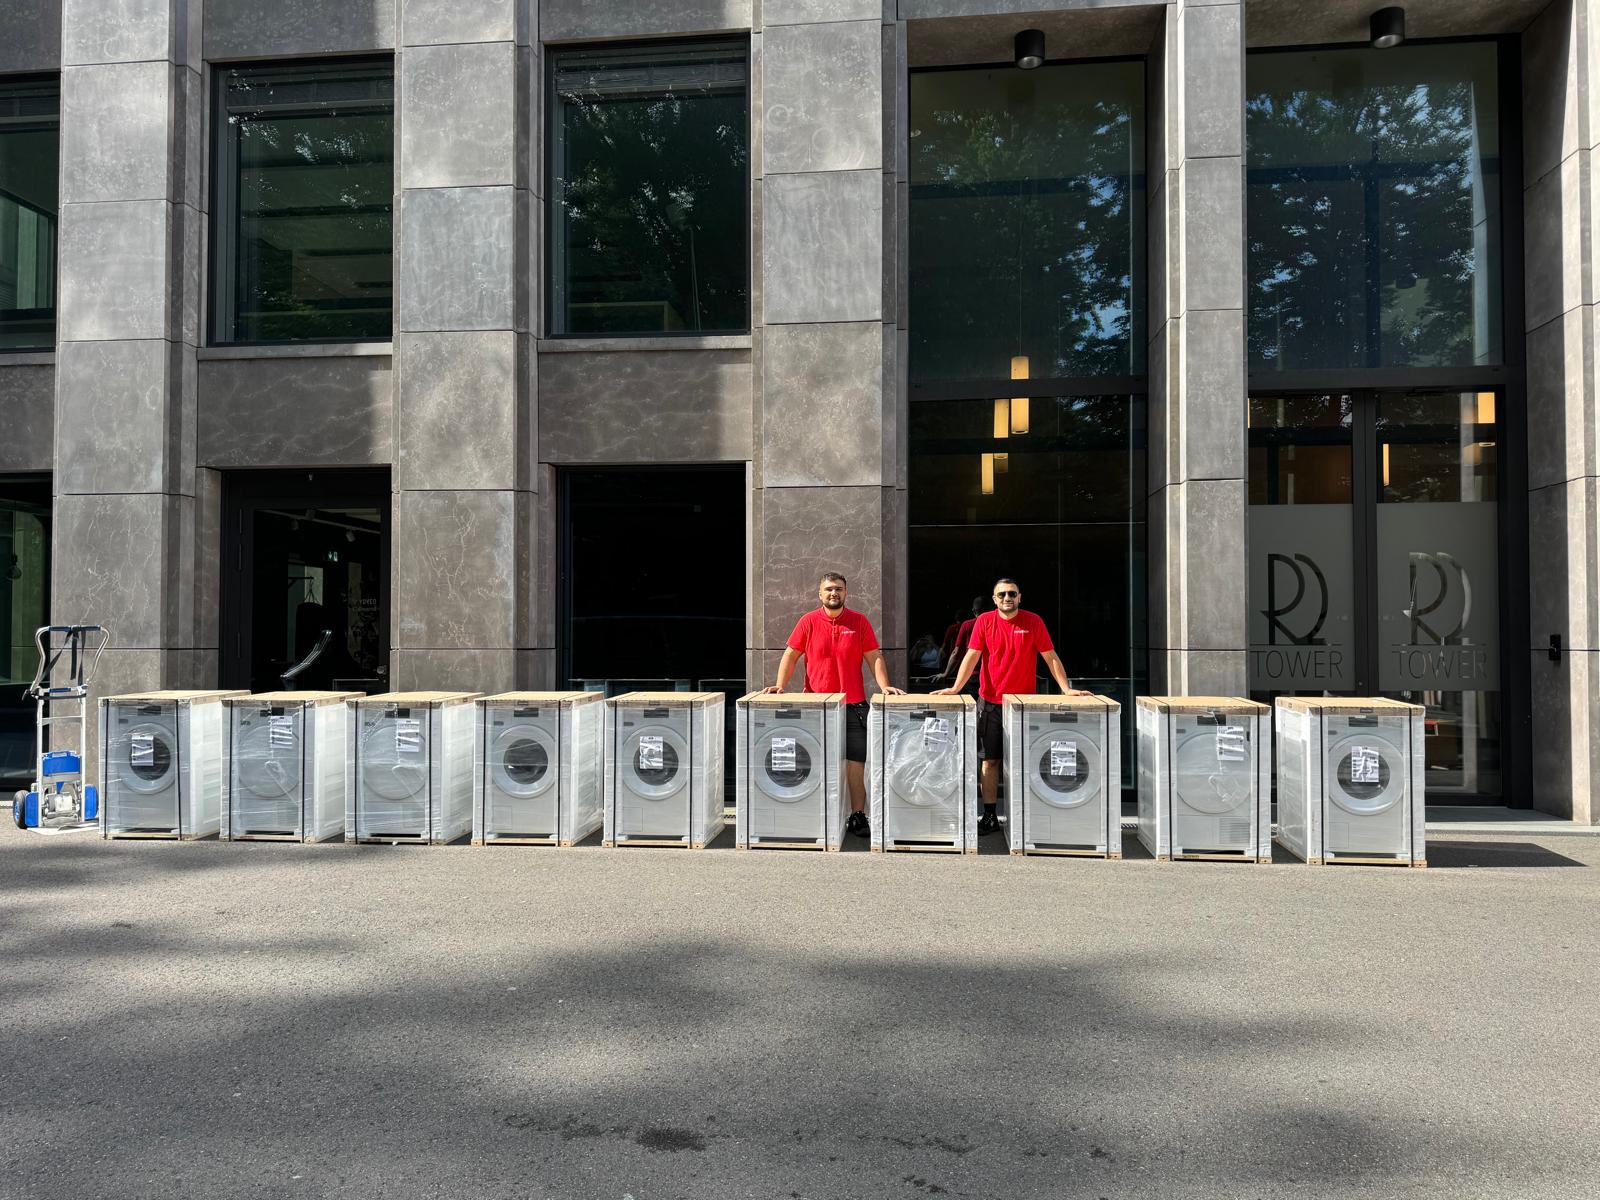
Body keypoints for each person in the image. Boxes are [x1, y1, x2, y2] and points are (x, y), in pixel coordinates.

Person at [933, 578, 1084, 835]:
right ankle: (990, 815)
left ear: (1019, 597)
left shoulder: (1033, 621)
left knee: (1024, 762)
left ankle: (1024, 817)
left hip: (1022, 706)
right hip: (990, 704)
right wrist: (956, 687)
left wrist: (1066, 689)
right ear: (994, 599)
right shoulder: (984, 621)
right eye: (1001, 594)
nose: (1007, 598)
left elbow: (1050, 656)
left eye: (1012, 594)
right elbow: (972, 655)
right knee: (989, 762)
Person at [764, 572, 904, 837]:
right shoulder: (808, 621)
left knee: (856, 762)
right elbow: (791, 655)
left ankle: (857, 815)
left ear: (846, 593)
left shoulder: (859, 621)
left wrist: (884, 685)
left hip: (854, 704)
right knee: (815, 760)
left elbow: (874, 657)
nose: (833, 593)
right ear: (820, 594)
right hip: (817, 705)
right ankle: (816, 812)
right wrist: (780, 685)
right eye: (828, 589)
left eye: (838, 589)